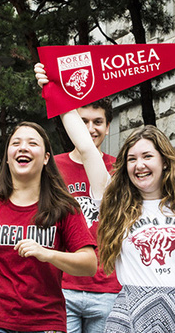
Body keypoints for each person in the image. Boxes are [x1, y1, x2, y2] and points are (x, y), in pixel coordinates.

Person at [36, 42, 175, 332]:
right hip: (128, 313)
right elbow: (85, 144)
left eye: (147, 156)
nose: (139, 164)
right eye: (132, 158)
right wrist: (53, 90)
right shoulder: (115, 202)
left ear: (165, 162)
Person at [0, 121, 97, 333]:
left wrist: (48, 254)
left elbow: (89, 264)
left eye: (32, 143)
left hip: (45, 324)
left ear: (46, 158)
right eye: (15, 143)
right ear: (7, 157)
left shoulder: (65, 208)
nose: (23, 147)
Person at [55, 99, 122, 333]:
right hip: (62, 286)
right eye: (83, 121)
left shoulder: (119, 169)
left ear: (108, 126)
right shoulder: (52, 169)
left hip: (108, 287)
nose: (91, 128)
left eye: (98, 122)